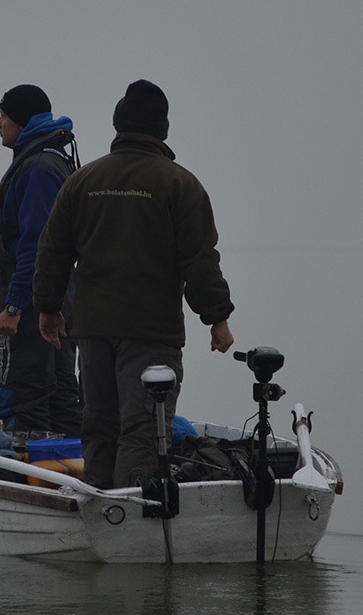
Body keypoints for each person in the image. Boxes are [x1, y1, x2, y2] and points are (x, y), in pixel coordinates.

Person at [32, 79, 234, 489]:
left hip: (92, 331)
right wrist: (216, 318)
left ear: (118, 124)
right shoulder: (180, 184)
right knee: (142, 430)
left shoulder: (82, 181)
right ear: (162, 129)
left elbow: (52, 251)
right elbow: (199, 259)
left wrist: (48, 308)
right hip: (150, 332)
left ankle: (99, 509)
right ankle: (128, 517)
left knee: (99, 426)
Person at [0, 84, 81, 436]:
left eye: (4, 116)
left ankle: (36, 477)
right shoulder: (47, 159)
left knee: (28, 390)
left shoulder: (38, 168)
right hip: (54, 297)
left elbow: (37, 246)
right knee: (58, 386)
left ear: (21, 122)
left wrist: (14, 306)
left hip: (31, 304)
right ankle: (74, 466)